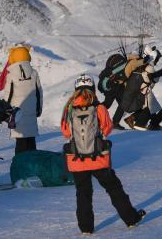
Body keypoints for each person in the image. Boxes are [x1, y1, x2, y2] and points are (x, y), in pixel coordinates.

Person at [61, 74, 146, 234]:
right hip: (98, 157)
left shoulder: (69, 109)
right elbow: (107, 128)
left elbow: (65, 132)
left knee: (83, 193)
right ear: (93, 89)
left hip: (77, 159)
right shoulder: (99, 107)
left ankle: (86, 228)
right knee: (114, 188)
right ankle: (131, 219)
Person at [0, 45, 43, 154]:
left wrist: (5, 113)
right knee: (31, 143)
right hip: (31, 113)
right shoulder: (34, 73)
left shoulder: (11, 76)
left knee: (20, 143)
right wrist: (38, 110)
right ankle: (32, 163)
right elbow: (39, 94)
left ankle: (19, 163)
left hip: (17, 115)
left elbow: (8, 96)